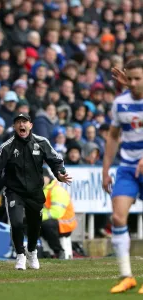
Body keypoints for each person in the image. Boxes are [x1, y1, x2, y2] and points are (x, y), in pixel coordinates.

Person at [0, 113, 72, 270]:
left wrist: (60, 174)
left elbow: (56, 161)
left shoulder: (41, 142)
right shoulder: (6, 147)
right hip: (14, 192)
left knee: (34, 225)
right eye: (18, 122)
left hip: (35, 192)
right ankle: (20, 255)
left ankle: (31, 251)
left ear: (30, 125)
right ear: (14, 127)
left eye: (24, 122)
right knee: (17, 222)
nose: (22, 124)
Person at [102, 59, 143, 294]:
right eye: (132, 78)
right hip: (127, 166)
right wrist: (105, 169)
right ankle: (127, 276)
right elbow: (114, 137)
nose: (134, 83)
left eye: (139, 79)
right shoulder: (120, 104)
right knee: (118, 218)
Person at [41, 168, 77, 259]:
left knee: (46, 225)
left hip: (65, 224)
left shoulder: (57, 190)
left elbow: (56, 213)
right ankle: (40, 251)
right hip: (55, 222)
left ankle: (59, 251)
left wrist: (38, 218)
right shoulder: (43, 190)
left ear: (48, 178)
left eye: (42, 177)